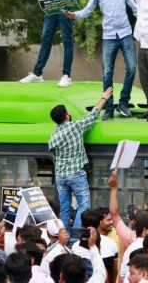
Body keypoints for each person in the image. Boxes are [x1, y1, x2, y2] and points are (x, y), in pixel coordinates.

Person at [66, 0, 138, 120]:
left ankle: (124, 103)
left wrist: (145, 23)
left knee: (132, 68)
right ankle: (109, 107)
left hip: (126, 34)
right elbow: (88, 9)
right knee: (107, 73)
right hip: (109, 37)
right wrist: (75, 15)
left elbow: (134, 8)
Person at [48, 87, 113, 229]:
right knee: (84, 205)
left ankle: (64, 234)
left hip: (60, 176)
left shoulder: (53, 136)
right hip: (76, 173)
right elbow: (93, 114)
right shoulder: (75, 127)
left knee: (65, 208)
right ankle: (75, 235)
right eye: (68, 112)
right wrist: (104, 98)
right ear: (66, 116)